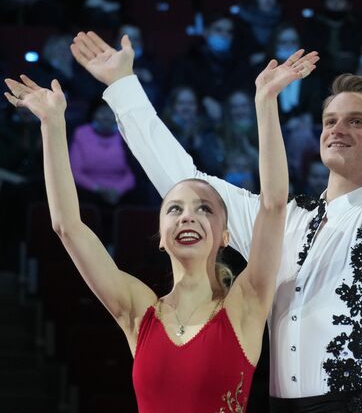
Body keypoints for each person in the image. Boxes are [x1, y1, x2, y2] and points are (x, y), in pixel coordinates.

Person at [70, 0, 362, 411]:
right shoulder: (285, 220)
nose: (337, 128)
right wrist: (124, 88)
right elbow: (188, 184)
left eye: (357, 121)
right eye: (330, 120)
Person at [5, 49, 318, 412]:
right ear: (161, 234)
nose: (188, 217)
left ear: (226, 235)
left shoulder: (246, 303)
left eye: (204, 209)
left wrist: (265, 102)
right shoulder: (138, 312)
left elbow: (272, 205)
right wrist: (52, 125)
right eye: (175, 209)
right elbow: (68, 227)